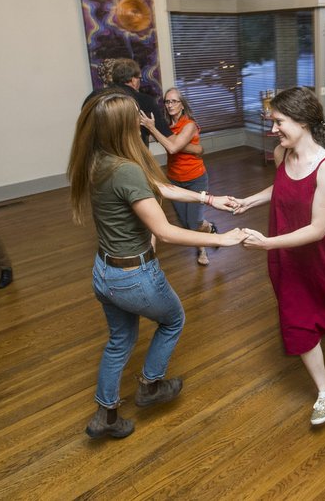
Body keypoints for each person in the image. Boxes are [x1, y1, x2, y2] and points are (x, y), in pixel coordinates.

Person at [67, 91, 247, 439]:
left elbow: (159, 188)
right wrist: (221, 239)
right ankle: (150, 387)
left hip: (104, 273)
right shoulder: (127, 170)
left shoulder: (99, 160)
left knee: (120, 340)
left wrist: (207, 198)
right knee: (174, 319)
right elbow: (164, 232)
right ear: (122, 127)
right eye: (135, 117)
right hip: (134, 276)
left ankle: (106, 415)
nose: (144, 120)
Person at [230, 87, 325, 426]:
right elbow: (282, 187)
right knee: (296, 313)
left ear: (303, 121)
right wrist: (249, 201)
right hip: (286, 253)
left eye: (279, 122)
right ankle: (321, 382)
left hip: (318, 254)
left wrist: (267, 243)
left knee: (322, 304)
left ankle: (321, 373)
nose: (273, 130)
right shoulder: (283, 153)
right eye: (273, 122)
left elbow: (318, 230)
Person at [141, 88, 217, 265]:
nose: (170, 105)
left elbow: (173, 148)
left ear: (182, 104)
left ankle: (202, 249)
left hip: (196, 178)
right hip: (174, 179)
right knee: (185, 222)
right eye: (167, 102)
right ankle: (210, 227)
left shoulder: (189, 124)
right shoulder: (166, 127)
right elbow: (164, 141)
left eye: (174, 101)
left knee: (194, 221)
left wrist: (153, 128)